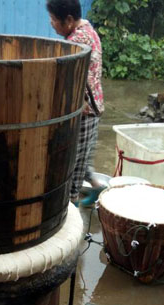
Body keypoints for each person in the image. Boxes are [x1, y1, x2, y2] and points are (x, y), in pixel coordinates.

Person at [47, 0, 105, 207]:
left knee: (73, 161)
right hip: (94, 106)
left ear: (69, 20)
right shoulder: (87, 29)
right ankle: (97, 187)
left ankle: (71, 205)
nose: (51, 23)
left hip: (84, 111)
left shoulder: (76, 42)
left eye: (54, 19)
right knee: (82, 156)